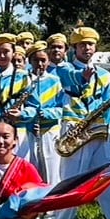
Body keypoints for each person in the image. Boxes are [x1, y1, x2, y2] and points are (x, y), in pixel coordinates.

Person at [50, 27, 110, 219]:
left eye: (91, 44)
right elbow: (72, 80)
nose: (87, 48)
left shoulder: (105, 74)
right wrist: (82, 77)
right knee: (71, 181)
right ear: (74, 48)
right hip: (76, 129)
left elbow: (109, 102)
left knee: (107, 180)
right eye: (82, 45)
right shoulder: (64, 68)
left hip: (99, 131)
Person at [19, 42, 67, 185]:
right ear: (30, 61)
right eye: (36, 60)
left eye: (43, 60)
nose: (40, 64)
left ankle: (53, 202)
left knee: (52, 167)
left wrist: (48, 113)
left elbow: (63, 108)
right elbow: (21, 106)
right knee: (33, 166)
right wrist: (28, 115)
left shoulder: (56, 81)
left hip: (50, 130)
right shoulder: (24, 81)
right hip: (31, 130)